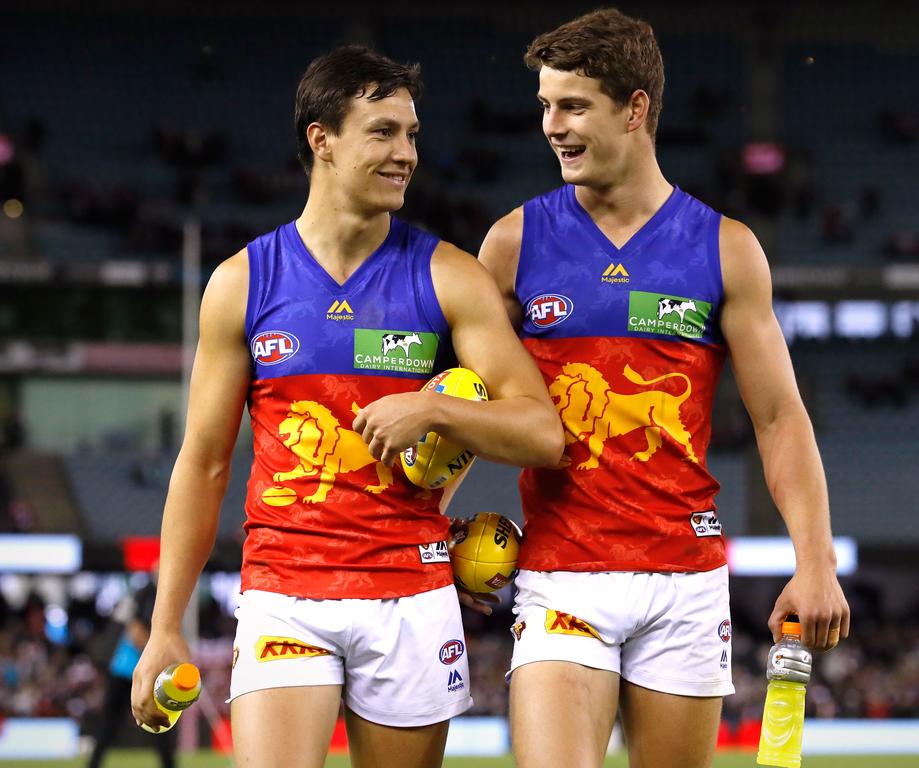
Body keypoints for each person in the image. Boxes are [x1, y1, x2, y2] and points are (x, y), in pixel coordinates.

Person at [130, 45, 562, 768]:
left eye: (412, 134)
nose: (405, 154)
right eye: (384, 131)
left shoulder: (449, 276)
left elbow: (542, 432)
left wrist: (437, 414)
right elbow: (202, 464)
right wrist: (164, 624)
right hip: (285, 591)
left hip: (412, 590)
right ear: (321, 139)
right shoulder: (243, 283)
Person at [478, 10, 851, 768]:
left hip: (685, 581)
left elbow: (781, 419)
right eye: (546, 105)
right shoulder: (513, 244)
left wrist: (815, 561)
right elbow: (462, 396)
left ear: (636, 108)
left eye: (573, 105)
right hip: (562, 575)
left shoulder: (727, 248)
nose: (552, 125)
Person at [89, 575, 176, 768]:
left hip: (131, 668)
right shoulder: (150, 592)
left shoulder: (149, 591)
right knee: (115, 725)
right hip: (128, 670)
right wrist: (161, 654)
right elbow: (136, 630)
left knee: (158, 724)